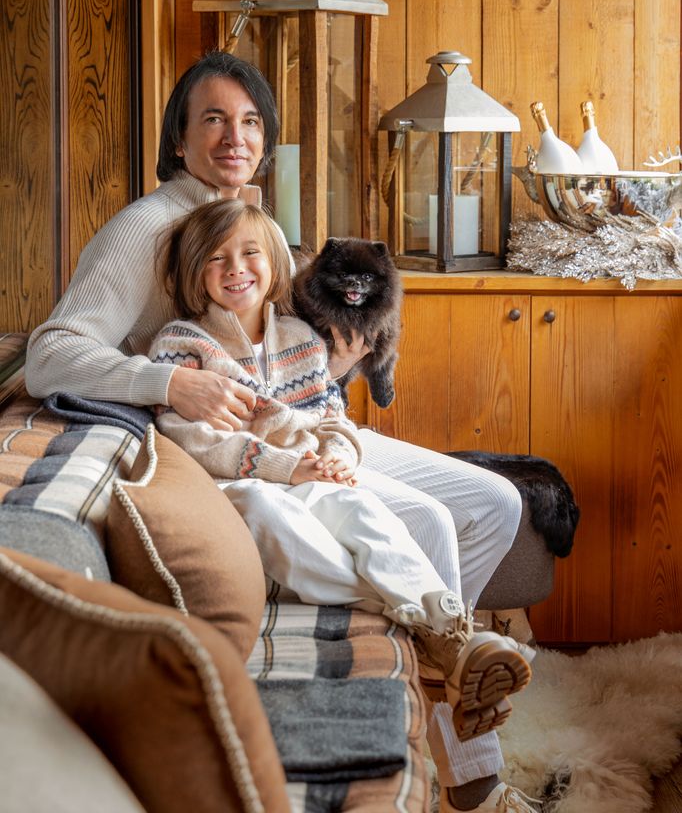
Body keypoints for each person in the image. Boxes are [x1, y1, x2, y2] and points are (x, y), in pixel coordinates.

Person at [25, 51, 535, 812]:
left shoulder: (253, 218)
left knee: (494, 506)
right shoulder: (149, 225)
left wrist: (338, 382)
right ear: (178, 139)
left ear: (267, 139)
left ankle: (450, 695)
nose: (235, 136)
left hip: (303, 420)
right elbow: (49, 353)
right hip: (238, 447)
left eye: (251, 121)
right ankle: (472, 773)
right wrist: (170, 382)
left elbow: (288, 345)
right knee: (427, 522)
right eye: (214, 120)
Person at [148, 197, 531, 745]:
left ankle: (448, 632)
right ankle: (436, 636)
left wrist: (339, 459)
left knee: (365, 513)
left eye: (249, 253)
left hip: (312, 470)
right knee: (279, 523)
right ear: (192, 272)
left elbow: (333, 418)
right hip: (246, 484)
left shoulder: (302, 341)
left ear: (274, 265)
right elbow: (192, 438)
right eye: (215, 258)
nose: (235, 268)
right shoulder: (183, 345)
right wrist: (286, 466)